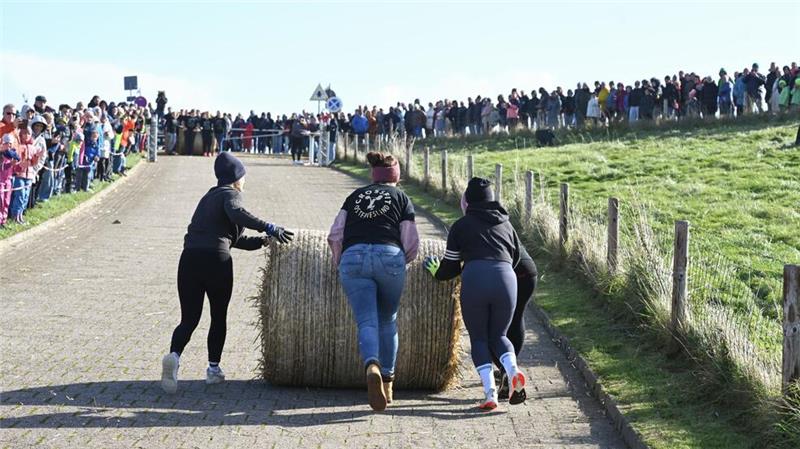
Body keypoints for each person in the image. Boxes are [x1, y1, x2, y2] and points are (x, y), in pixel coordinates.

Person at [161, 152, 295, 394]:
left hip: (189, 259)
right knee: (218, 315)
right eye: (243, 176)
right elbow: (236, 213)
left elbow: (234, 238)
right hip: (216, 261)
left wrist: (263, 241)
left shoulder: (207, 198)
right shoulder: (231, 195)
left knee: (189, 319)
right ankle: (213, 370)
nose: (244, 181)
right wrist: (270, 226)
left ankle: (174, 356)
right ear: (236, 177)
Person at [422, 177, 527, 411]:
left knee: (479, 338)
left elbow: (449, 268)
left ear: (467, 201)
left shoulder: (461, 225)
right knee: (499, 335)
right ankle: (512, 370)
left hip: (475, 277)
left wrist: (435, 272)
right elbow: (517, 258)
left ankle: (490, 394)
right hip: (506, 278)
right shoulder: (507, 224)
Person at [326, 151, 419, 411]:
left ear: (373, 176)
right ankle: (387, 384)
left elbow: (335, 235)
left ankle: (372, 365)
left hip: (353, 257)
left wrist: (343, 264)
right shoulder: (402, 198)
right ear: (396, 176)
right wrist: (402, 261)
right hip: (389, 257)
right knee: (387, 319)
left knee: (366, 320)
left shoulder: (354, 196)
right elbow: (410, 241)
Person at [1, 134, 20, 227]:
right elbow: (2, 167)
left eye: (10, 144)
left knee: (7, 201)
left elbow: (16, 168)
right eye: (7, 143)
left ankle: (3, 221)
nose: (9, 146)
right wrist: (10, 164)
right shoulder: (1, 155)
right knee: (0, 202)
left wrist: (17, 166)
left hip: (8, 180)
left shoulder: (13, 155)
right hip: (0, 181)